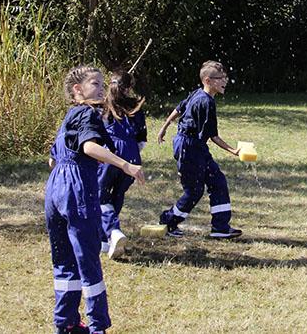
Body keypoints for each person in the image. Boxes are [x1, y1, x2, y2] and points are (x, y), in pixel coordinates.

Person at [45, 65, 145, 334]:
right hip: (76, 186)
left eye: (102, 83)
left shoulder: (68, 117)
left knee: (64, 259)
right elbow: (89, 147)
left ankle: (65, 323)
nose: (102, 88)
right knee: (88, 257)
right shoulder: (88, 113)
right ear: (78, 90)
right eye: (95, 84)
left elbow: (52, 159)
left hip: (55, 188)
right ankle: (97, 325)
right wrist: (126, 165)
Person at [157, 60, 242, 239]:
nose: (224, 81)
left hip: (196, 146)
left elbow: (179, 109)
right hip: (188, 147)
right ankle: (168, 220)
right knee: (194, 191)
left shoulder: (199, 93)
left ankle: (220, 227)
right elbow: (213, 135)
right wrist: (233, 151)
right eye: (220, 78)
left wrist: (164, 127)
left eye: (225, 78)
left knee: (217, 181)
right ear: (207, 80)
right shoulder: (206, 102)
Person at [98, 70, 148, 260]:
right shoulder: (136, 107)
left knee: (100, 195)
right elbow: (141, 139)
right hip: (132, 156)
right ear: (129, 88)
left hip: (110, 153)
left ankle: (113, 231)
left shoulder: (102, 106)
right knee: (117, 195)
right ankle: (105, 240)